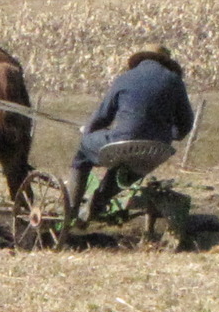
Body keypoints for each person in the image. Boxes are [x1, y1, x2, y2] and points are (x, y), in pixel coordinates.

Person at [67, 44, 195, 221]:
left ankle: (70, 210)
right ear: (166, 62)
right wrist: (172, 135)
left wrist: (88, 132)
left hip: (122, 141)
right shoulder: (175, 81)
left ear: (141, 60)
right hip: (157, 149)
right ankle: (98, 202)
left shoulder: (124, 78)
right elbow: (186, 123)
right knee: (131, 169)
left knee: (83, 152)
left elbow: (103, 117)